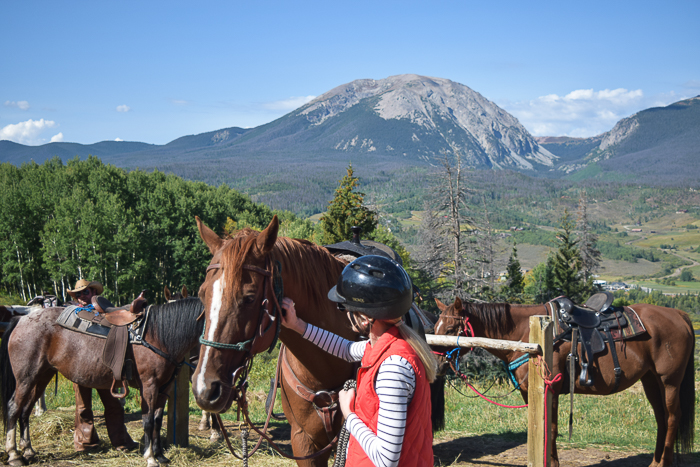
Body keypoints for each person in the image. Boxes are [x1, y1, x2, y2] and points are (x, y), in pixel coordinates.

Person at [281, 255, 437, 467]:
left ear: (365, 318)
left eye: (345, 308)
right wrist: (298, 325)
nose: (345, 314)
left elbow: (386, 460)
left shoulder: (393, 368)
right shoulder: (392, 345)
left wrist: (349, 414)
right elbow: (345, 349)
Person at [66, 279, 138, 452]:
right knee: (83, 407)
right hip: (81, 365)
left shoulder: (107, 314)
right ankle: (85, 442)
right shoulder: (71, 315)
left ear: (94, 294)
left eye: (86, 292)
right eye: (79, 293)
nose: (82, 296)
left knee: (114, 405)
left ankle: (120, 441)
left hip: (104, 365)